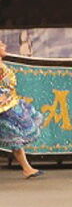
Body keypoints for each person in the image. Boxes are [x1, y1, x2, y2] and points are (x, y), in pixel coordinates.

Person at [0, 39, 44, 178]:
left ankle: (27, 168)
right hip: (4, 107)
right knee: (15, 135)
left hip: (9, 104)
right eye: (1, 44)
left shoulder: (2, 65)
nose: (4, 46)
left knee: (15, 137)